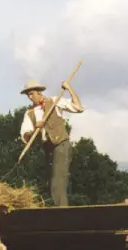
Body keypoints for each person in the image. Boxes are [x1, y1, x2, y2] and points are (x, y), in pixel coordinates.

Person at [19, 79, 84, 207]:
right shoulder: (30, 113)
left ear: (39, 92)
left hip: (61, 144)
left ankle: (62, 213)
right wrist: (35, 130)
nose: (30, 97)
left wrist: (69, 88)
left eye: (32, 93)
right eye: (28, 95)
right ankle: (56, 209)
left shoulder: (55, 101)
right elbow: (25, 135)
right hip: (47, 148)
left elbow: (78, 108)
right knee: (49, 182)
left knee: (58, 181)